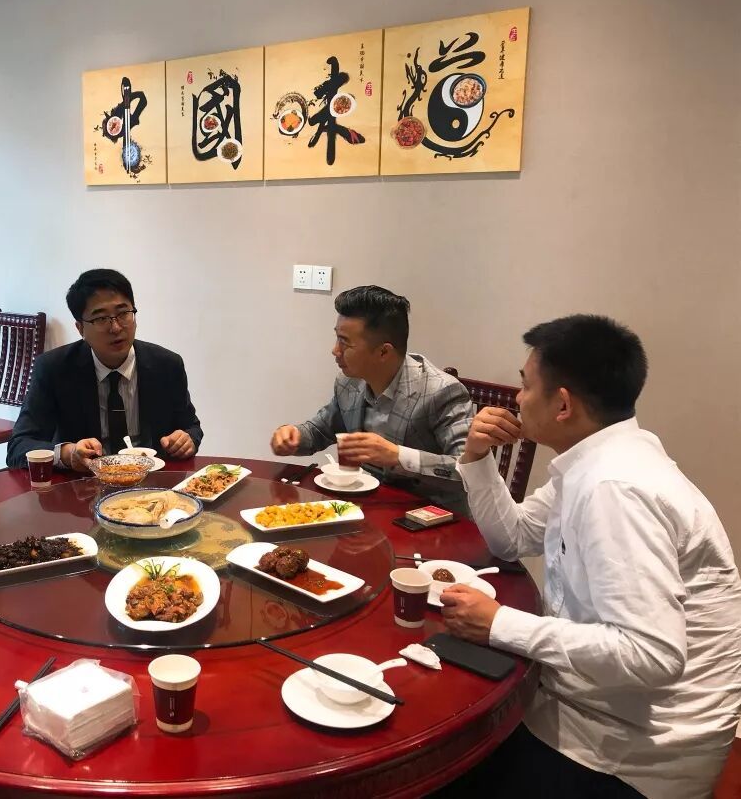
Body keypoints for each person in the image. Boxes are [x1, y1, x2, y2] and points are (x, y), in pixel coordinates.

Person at [439, 315, 741, 799]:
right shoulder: (593, 462)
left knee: (449, 772)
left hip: (633, 753)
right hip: (596, 708)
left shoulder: (615, 487)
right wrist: (476, 457)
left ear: (562, 404)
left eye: (525, 385)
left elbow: (651, 655)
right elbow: (511, 539)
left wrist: (499, 623)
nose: (517, 398)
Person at [270, 285, 473, 506]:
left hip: (427, 514)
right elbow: (321, 429)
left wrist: (398, 456)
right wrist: (293, 436)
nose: (335, 350)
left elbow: (468, 472)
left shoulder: (441, 391)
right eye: (337, 338)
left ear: (384, 352)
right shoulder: (348, 382)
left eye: (345, 342)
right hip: (365, 504)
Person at [7, 269, 203, 471]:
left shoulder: (167, 366)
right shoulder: (54, 369)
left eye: (123, 313)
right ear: (80, 328)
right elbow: (18, 447)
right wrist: (67, 453)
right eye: (101, 318)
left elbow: (191, 427)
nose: (116, 328)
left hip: (152, 481)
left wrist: (187, 439)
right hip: (84, 483)